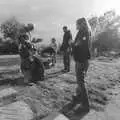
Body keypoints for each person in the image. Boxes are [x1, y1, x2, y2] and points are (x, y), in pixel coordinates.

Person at [71, 17, 91, 112]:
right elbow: (78, 44)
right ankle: (78, 97)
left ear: (81, 24)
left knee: (81, 82)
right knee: (79, 81)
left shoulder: (84, 32)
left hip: (81, 61)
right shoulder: (82, 32)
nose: (76, 25)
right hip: (80, 60)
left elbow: (80, 45)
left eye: (77, 24)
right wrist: (74, 44)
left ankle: (85, 105)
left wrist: (73, 44)